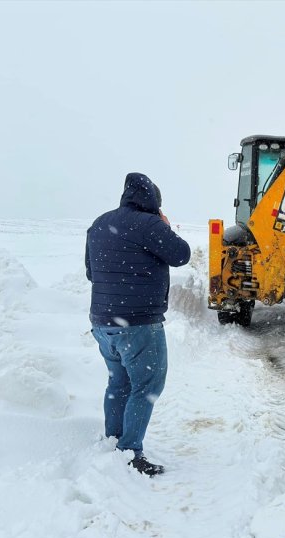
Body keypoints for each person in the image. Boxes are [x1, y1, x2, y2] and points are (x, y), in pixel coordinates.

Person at [85, 172, 191, 476]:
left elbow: (91, 272)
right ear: (154, 201)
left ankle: (114, 440)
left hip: (103, 323)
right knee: (147, 384)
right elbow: (181, 254)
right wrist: (166, 226)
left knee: (119, 382)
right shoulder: (150, 224)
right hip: (138, 324)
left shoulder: (99, 224)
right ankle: (130, 451)